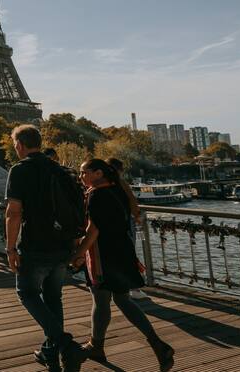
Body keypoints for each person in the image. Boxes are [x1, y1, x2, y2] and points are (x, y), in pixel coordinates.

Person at [70, 159, 174, 370]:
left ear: (98, 173)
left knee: (101, 300)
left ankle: (97, 345)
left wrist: (78, 255)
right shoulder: (117, 190)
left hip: (103, 255)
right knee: (121, 298)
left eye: (84, 173)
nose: (81, 177)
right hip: (122, 251)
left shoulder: (95, 195)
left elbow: (93, 230)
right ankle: (155, 342)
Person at [4, 125, 88, 372]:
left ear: (19, 145)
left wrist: (10, 248)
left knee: (27, 293)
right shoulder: (59, 169)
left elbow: (14, 212)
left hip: (35, 245)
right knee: (54, 297)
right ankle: (51, 355)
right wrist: (76, 246)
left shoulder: (19, 170)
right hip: (62, 246)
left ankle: (65, 345)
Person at [107, 158, 147, 300]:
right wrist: (137, 216)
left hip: (107, 225)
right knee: (129, 253)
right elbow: (133, 202)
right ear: (120, 170)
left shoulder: (101, 184)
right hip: (124, 224)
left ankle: (115, 284)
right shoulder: (120, 183)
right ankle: (133, 287)